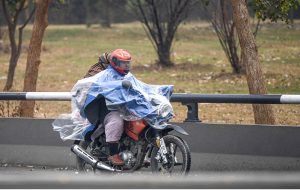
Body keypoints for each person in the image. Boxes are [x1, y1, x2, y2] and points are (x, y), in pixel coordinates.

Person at [84, 49, 132, 166]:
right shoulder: (100, 73)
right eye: (122, 63)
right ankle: (113, 154)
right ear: (114, 63)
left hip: (122, 106)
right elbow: (96, 86)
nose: (125, 66)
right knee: (116, 120)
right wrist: (117, 85)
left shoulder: (125, 75)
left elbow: (139, 87)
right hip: (106, 107)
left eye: (127, 63)